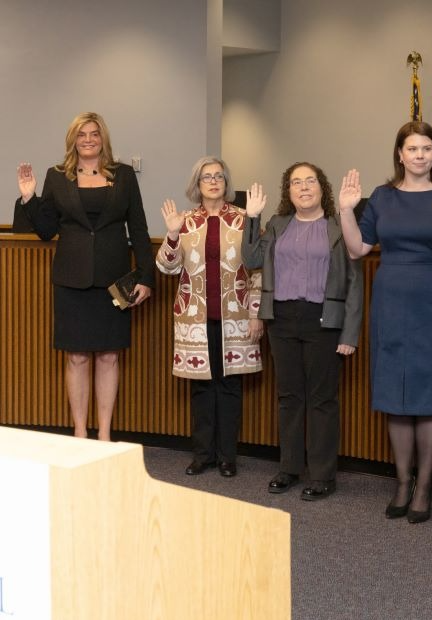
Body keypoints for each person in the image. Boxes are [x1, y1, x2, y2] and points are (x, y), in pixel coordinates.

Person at [338, 121, 432, 523]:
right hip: (391, 299)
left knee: (429, 394)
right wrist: (345, 209)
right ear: (400, 154)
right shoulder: (381, 196)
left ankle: (425, 486)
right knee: (395, 392)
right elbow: (358, 249)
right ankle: (401, 482)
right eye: (412, 148)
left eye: (427, 148)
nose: (419, 155)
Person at [14, 112, 154, 441]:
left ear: (102, 137)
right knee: (76, 357)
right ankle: (79, 432)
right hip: (71, 280)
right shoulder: (57, 176)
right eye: (81, 135)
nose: (88, 139)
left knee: (108, 356)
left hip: (114, 281)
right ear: (73, 140)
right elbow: (47, 230)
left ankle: (104, 433)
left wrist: (146, 277)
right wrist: (29, 198)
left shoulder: (123, 176)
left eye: (93, 133)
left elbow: (139, 228)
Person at [242, 162, 362, 501]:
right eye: (296, 182)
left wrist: (349, 334)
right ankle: (289, 468)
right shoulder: (278, 225)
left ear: (322, 188)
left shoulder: (338, 227)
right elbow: (251, 258)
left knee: (322, 399)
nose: (304, 187)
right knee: (289, 396)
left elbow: (355, 283)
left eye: (310, 181)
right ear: (288, 191)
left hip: (324, 319)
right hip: (282, 318)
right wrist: (252, 218)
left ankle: (323, 474)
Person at [157, 157, 267, 477]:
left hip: (236, 314)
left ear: (226, 182)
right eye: (207, 177)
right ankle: (202, 454)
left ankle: (227, 457)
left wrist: (256, 314)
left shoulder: (245, 218)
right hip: (196, 316)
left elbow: (259, 269)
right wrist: (173, 234)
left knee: (230, 387)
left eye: (219, 176)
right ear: (198, 184)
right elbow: (167, 266)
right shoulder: (185, 220)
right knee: (202, 388)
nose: (214, 181)